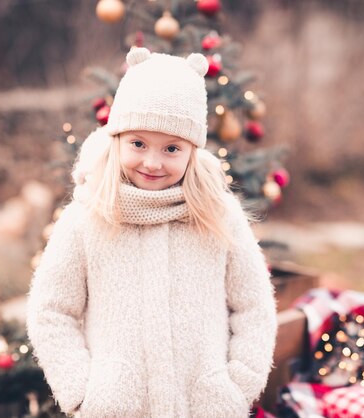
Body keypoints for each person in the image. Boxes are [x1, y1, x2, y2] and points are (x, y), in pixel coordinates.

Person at [26, 46, 277, 418]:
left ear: (192, 150)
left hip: (205, 408)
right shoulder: (87, 216)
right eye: (138, 144)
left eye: (172, 148)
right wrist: (80, 390)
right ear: (118, 139)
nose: (153, 162)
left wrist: (237, 386)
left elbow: (254, 305)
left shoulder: (218, 215)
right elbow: (51, 311)